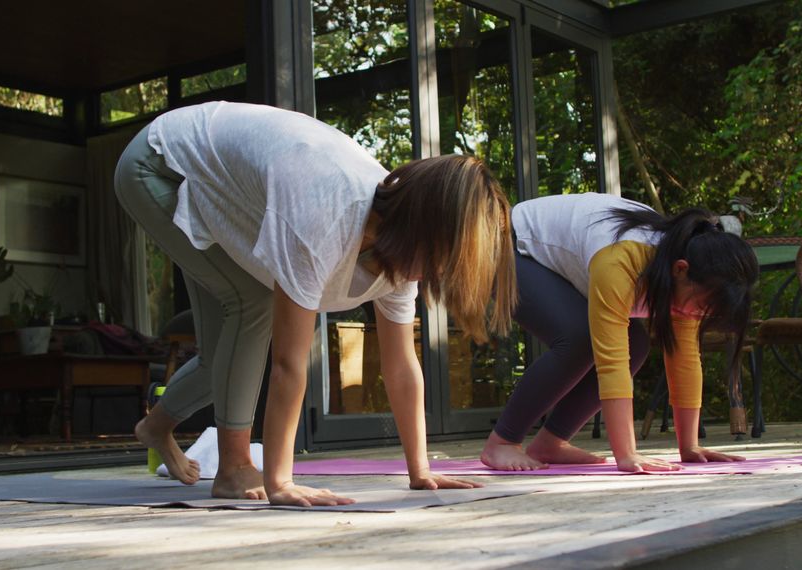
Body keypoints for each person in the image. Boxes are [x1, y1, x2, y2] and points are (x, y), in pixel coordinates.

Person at [114, 101, 517, 506]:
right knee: (253, 301)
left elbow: (401, 365)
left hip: (217, 185)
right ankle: (234, 467)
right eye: (441, 259)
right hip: (161, 163)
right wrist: (280, 482)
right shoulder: (326, 212)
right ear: (422, 229)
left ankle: (156, 426)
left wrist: (420, 471)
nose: (438, 273)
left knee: (225, 352)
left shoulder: (399, 253)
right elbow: (289, 364)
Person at [480, 192, 758, 472]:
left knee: (635, 343)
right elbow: (611, 360)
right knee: (581, 339)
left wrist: (690, 447)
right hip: (505, 245)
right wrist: (627, 455)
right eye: (700, 307)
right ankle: (502, 442)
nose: (696, 315)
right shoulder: (623, 258)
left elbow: (684, 358)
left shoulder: (685, 272)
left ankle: (550, 442)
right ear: (680, 270)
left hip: (553, 261)